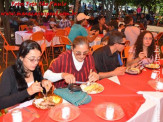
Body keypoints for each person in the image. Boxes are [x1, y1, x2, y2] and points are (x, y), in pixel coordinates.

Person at [0, 40, 52, 109]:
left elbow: (40, 89)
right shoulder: (9, 73)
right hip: (15, 112)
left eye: (38, 59)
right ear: (21, 58)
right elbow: (2, 103)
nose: (36, 63)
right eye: (32, 59)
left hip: (31, 109)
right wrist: (27, 92)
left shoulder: (35, 69)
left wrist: (43, 83)